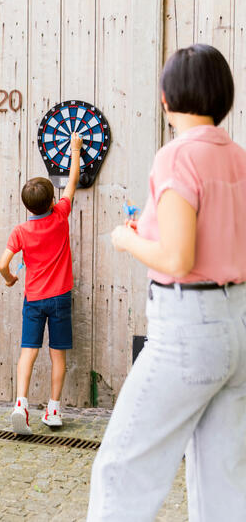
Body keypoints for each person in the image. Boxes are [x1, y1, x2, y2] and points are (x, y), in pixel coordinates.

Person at [88, 43, 246, 521]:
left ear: (165, 98)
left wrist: (125, 240)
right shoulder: (239, 158)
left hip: (188, 329)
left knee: (123, 470)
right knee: (224, 481)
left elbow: (178, 259)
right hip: (236, 324)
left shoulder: (176, 158)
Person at [0, 132, 83, 435]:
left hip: (33, 299)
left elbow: (2, 263)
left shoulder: (20, 231)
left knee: (28, 351)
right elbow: (71, 183)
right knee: (57, 354)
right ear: (51, 200)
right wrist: (75, 150)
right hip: (60, 298)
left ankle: (20, 404)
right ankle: (54, 409)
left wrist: (10, 279)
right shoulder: (60, 215)